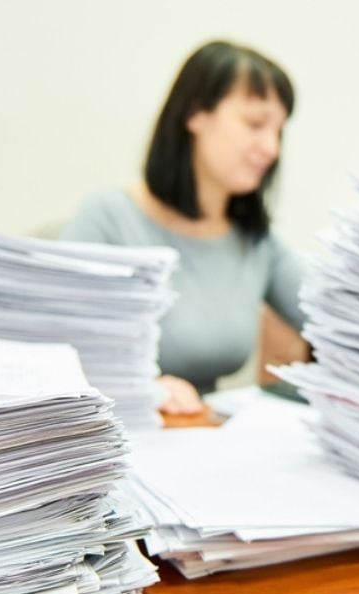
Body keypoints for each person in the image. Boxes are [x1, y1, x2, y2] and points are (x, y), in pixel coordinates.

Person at [62, 40, 305, 416]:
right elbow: (58, 352)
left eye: (278, 131)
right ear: (195, 114)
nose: (271, 148)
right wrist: (141, 388)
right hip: (116, 434)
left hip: (202, 435)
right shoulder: (107, 218)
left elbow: (331, 317)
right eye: (256, 124)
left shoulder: (256, 242)